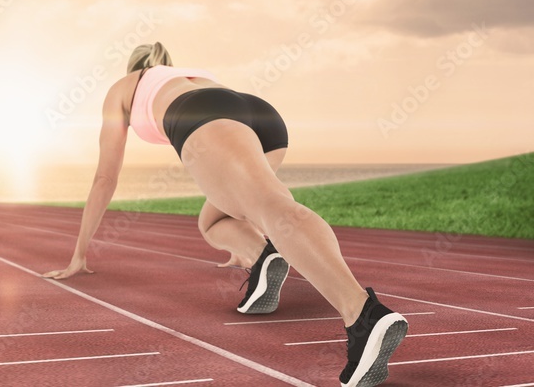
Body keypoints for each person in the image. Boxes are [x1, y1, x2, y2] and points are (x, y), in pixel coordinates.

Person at [42, 42, 408, 386]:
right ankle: (260, 254)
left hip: (203, 115)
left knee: (273, 208)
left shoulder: (124, 86)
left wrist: (79, 253)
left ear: (133, 67)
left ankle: (362, 314)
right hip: (258, 114)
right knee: (216, 220)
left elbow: (106, 176)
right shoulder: (185, 73)